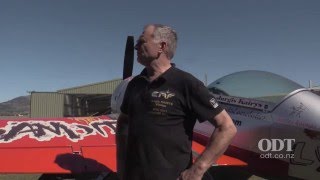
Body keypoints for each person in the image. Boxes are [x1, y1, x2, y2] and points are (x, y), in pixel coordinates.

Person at [116, 24, 237, 180]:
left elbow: (227, 127)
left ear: (162, 46)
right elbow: (123, 122)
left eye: (141, 42)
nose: (135, 47)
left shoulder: (187, 83)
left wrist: (197, 170)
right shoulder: (135, 84)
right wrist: (121, 165)